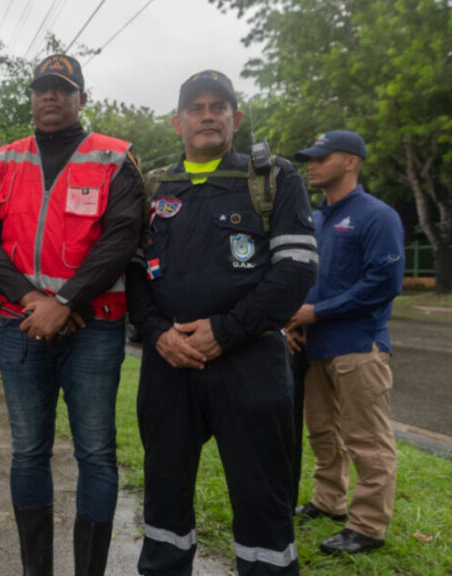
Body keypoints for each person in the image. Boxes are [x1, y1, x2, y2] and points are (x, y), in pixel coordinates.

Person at [126, 70, 318, 576]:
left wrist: (225, 331)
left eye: (219, 106)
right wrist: (157, 333)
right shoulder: (154, 187)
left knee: (262, 501)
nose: (207, 114)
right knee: (164, 497)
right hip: (168, 365)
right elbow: (133, 275)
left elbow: (295, 273)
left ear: (233, 118)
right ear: (177, 122)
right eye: (196, 107)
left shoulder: (274, 178)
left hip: (250, 364)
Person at [0, 55, 144, 575]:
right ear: (31, 98)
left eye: (62, 89)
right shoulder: (3, 161)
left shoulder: (114, 159)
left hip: (96, 326)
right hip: (21, 325)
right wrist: (31, 301)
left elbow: (122, 238)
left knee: (95, 453)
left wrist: (65, 302)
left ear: (82, 99)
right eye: (42, 88)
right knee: (28, 453)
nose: (50, 97)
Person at [287, 130, 403, 555]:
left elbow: (383, 283)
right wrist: (296, 318)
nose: (312, 164)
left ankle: (368, 526)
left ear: (351, 161)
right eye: (310, 157)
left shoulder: (378, 215)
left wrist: (315, 312)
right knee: (323, 432)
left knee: (366, 439)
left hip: (358, 345)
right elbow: (309, 279)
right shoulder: (315, 218)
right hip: (315, 345)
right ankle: (329, 501)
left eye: (322, 157)